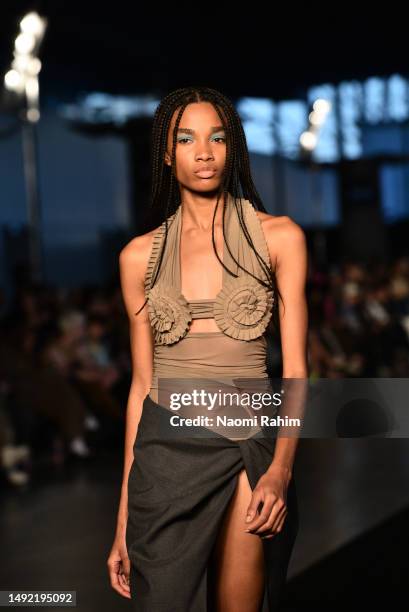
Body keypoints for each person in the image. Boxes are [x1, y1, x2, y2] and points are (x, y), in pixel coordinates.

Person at [107, 86, 308, 611]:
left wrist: (281, 471)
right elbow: (142, 387)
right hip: (165, 456)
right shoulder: (137, 257)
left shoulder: (279, 238)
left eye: (217, 138)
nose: (204, 152)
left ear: (232, 147)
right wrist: (122, 521)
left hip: (248, 446)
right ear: (166, 152)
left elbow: (298, 372)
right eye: (187, 139)